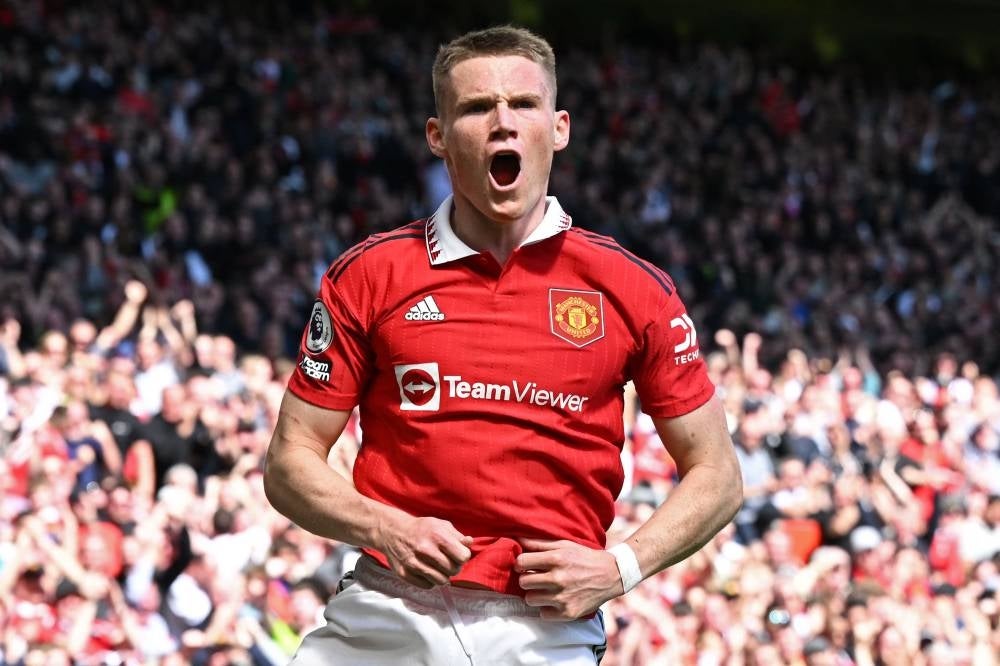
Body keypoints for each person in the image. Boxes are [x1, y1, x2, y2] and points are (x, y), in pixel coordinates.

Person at [263, 25, 742, 665]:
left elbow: (718, 474)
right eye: (475, 107)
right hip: (387, 605)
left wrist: (622, 566)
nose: (503, 123)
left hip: (542, 628)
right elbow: (288, 461)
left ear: (560, 126)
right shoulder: (370, 274)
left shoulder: (634, 288)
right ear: (438, 136)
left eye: (523, 104)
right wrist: (381, 525)